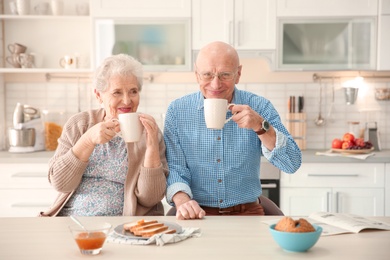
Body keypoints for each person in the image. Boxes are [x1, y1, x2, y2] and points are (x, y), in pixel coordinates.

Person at [164, 41, 301, 220]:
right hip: (197, 214)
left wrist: (261, 127)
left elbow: (292, 163)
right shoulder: (177, 111)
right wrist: (183, 201)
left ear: (238, 74)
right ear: (197, 75)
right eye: (207, 75)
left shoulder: (260, 107)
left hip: (248, 213)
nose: (215, 84)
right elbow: (175, 168)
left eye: (225, 75)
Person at [39, 54, 168, 217]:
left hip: (123, 225)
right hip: (72, 219)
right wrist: (87, 140)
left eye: (133, 91)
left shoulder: (149, 131)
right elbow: (60, 183)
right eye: (117, 93)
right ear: (99, 95)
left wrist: (151, 149)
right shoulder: (79, 124)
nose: (127, 101)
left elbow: (150, 199)